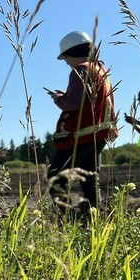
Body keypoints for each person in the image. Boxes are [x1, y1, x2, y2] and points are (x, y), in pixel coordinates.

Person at [47, 30, 117, 218]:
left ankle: (66, 220)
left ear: (72, 53)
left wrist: (58, 99)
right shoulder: (100, 70)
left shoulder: (80, 71)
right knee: (90, 181)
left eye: (66, 58)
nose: (66, 63)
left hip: (79, 137)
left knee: (56, 178)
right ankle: (92, 222)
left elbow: (74, 104)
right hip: (98, 136)